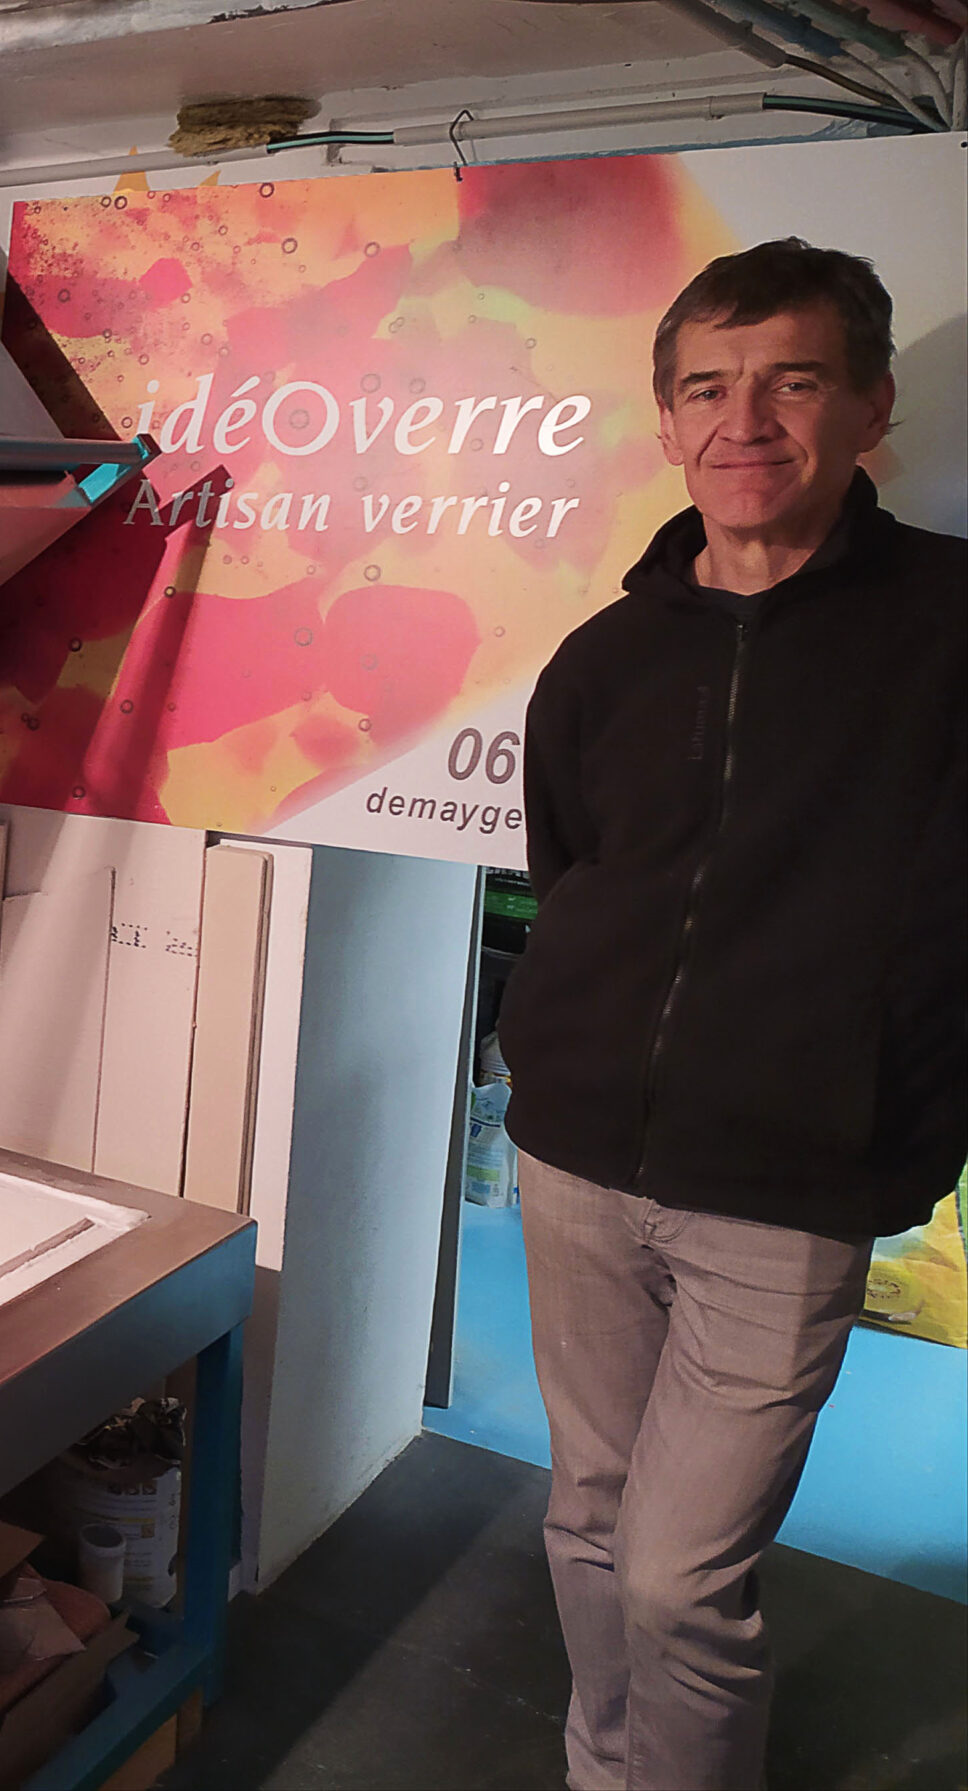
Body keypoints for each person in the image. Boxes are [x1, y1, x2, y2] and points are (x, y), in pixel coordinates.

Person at [500, 238, 968, 1791]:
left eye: (792, 381)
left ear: (871, 407)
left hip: (789, 1186)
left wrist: (906, 1119)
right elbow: (571, 870)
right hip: (576, 1164)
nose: (745, 422)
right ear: (667, 421)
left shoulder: (951, 630)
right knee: (586, 1518)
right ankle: (605, 1770)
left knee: (678, 1579)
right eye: (707, 388)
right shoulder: (608, 657)